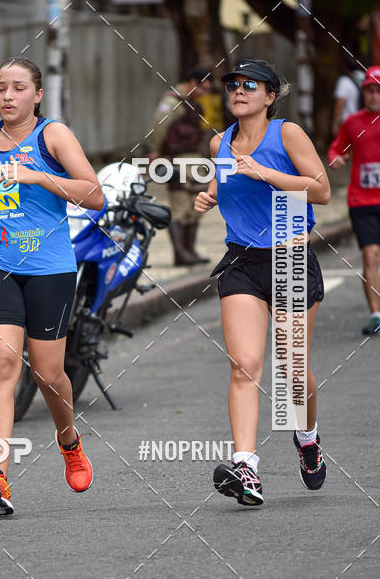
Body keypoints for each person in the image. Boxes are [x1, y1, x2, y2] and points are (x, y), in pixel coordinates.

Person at [0, 57, 105, 516]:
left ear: (37, 95)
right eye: (1, 87)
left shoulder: (52, 136)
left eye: (18, 88)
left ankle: (69, 440)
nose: (7, 96)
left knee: (47, 374)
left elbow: (95, 194)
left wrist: (39, 175)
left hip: (50, 267)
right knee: (1, 366)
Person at [194, 59, 331, 507]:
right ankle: (246, 467)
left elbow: (321, 189)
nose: (238, 91)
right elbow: (227, 185)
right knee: (244, 364)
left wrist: (265, 173)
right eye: (233, 85)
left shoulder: (286, 134)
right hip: (242, 262)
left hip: (291, 257)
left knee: (292, 372)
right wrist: (210, 194)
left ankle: (306, 438)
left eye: (250, 85)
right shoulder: (220, 142)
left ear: (270, 96)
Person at [328, 65, 380, 335]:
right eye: (369, 90)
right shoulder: (353, 123)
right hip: (362, 200)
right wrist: (336, 157)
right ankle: (376, 315)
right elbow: (337, 147)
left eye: (378, 90)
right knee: (370, 255)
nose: (374, 96)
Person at [147, 67, 213, 266]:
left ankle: (189, 250)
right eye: (203, 88)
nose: (205, 93)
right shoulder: (172, 101)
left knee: (195, 205)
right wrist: (154, 151)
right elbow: (158, 126)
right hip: (177, 160)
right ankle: (180, 253)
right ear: (192, 82)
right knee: (180, 204)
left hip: (194, 160)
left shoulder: (190, 103)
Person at [332, 58, 364, 137]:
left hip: (348, 123)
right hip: (363, 122)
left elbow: (340, 102)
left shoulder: (344, 81)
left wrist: (335, 123)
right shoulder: (365, 79)